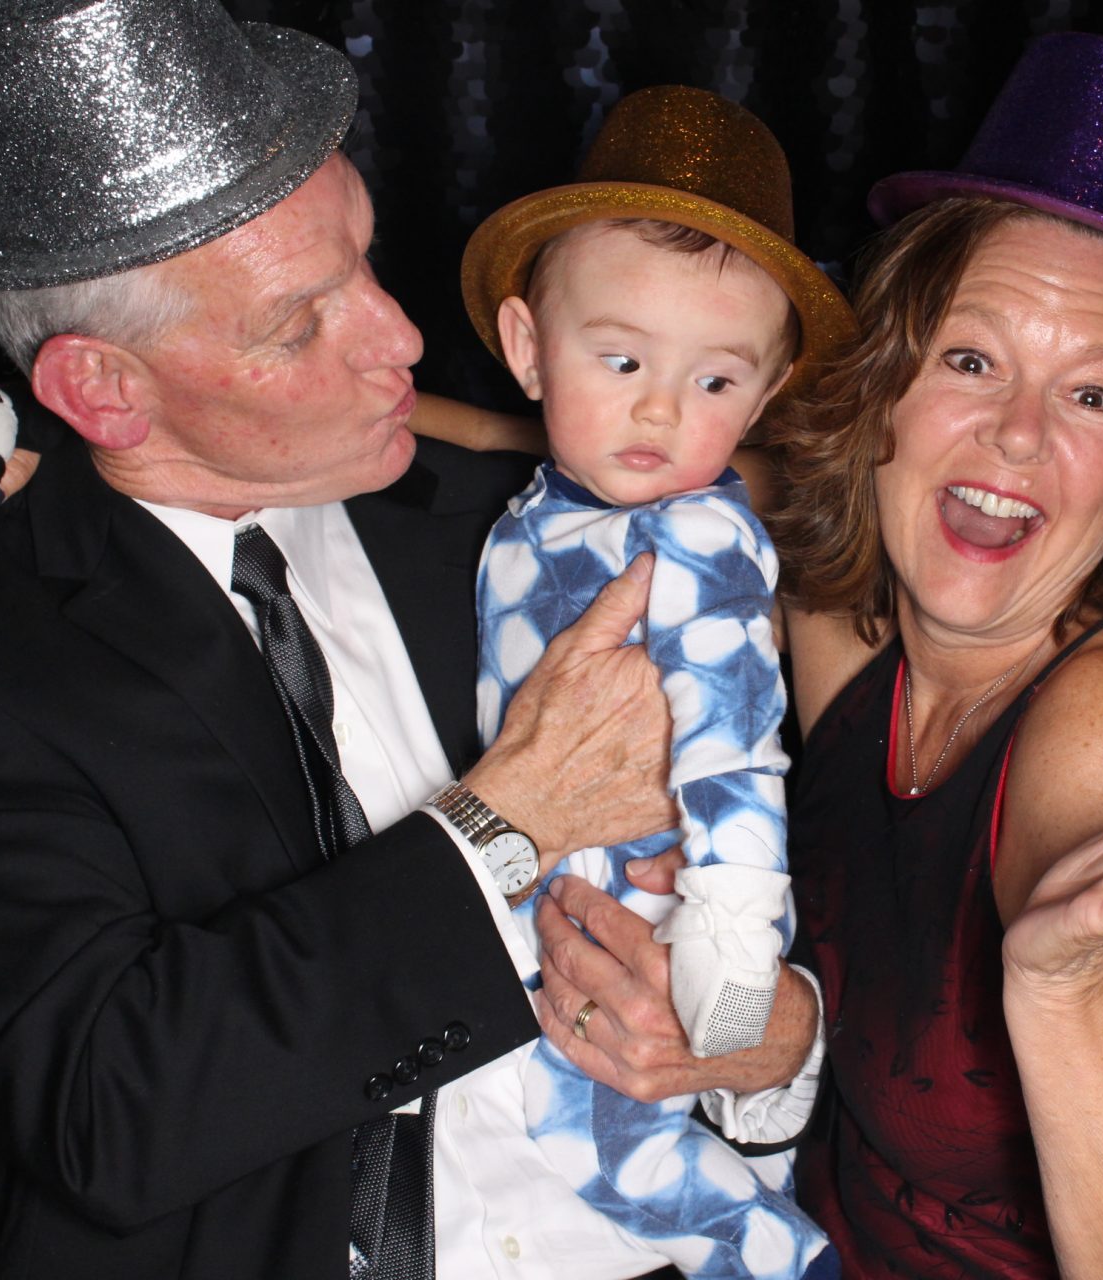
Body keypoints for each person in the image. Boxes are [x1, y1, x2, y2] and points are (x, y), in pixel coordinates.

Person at [0, 2, 817, 1278]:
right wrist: (503, 819)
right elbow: (107, 1107)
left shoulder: (520, 532)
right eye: (301, 323)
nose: (398, 337)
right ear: (99, 389)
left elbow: (755, 795)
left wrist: (776, 1047)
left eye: (369, 264)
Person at [770, 34, 1103, 1276]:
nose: (1014, 436)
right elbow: (615, 439)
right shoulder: (846, 622)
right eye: (970, 358)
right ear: (880, 391)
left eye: (1093, 395)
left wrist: (1056, 997)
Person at [452, 85, 853, 1279]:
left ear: (769, 395)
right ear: (529, 348)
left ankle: (779, 1255)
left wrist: (729, 937)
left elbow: (737, 737)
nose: (663, 409)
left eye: (718, 383)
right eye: (622, 358)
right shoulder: (526, 516)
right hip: (532, 906)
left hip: (675, 913)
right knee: (576, 1141)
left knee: (630, 1153)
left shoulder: (704, 537)